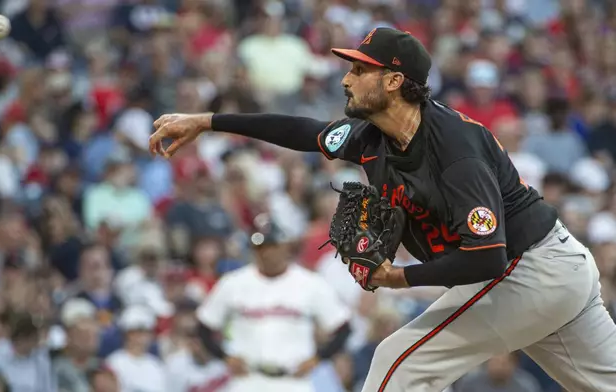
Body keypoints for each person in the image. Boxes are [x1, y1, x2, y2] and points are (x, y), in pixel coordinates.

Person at [149, 27, 616, 392]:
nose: (346, 78)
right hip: (551, 273)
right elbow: (302, 130)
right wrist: (207, 122)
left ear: (393, 81)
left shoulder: (454, 148)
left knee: (399, 359)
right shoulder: (376, 136)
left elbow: (487, 256)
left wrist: (400, 277)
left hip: (528, 269)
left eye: (359, 69)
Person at [195, 214, 352, 392]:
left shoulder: (310, 284)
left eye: (272, 246)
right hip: (247, 380)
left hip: (293, 381)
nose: (267, 252)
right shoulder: (233, 283)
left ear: (285, 246)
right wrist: (225, 357)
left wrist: (318, 358)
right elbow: (204, 326)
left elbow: (343, 328)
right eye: (260, 246)